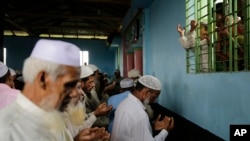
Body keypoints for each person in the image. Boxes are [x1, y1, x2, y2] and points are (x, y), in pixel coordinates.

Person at [0, 39, 101, 141]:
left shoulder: (53, 115)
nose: (77, 93)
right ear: (42, 78)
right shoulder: (10, 127)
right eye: (69, 85)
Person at [111, 75, 174, 141]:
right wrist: (165, 131)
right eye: (154, 97)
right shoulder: (140, 115)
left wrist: (152, 127)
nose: (154, 101)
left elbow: (131, 133)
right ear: (146, 93)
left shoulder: (124, 103)